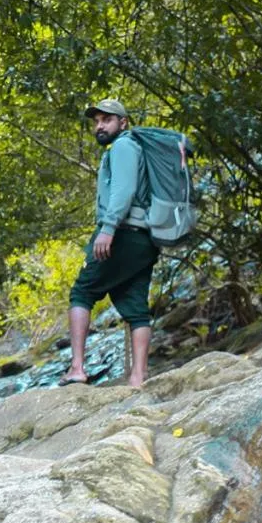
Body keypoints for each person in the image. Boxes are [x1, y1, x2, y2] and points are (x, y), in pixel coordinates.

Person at [60, 97, 159, 388]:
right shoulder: (138, 148)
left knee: (82, 292)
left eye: (107, 120)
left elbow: (124, 191)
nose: (99, 126)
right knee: (136, 307)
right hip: (145, 238)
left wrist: (108, 228)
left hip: (122, 233)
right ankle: (138, 378)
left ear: (123, 122)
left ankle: (77, 368)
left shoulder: (124, 146)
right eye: (96, 122)